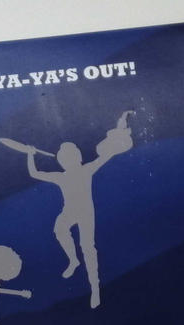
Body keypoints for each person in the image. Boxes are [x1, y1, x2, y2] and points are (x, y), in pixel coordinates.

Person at [25, 111, 134, 309]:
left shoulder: (86, 169)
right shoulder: (61, 176)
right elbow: (35, 173)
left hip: (85, 214)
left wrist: (120, 129)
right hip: (70, 211)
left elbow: (107, 154)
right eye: (65, 157)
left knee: (88, 249)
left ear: (77, 157)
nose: (69, 159)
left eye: (72, 156)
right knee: (60, 229)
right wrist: (30, 155)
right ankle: (73, 260)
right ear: (62, 161)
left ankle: (95, 289)